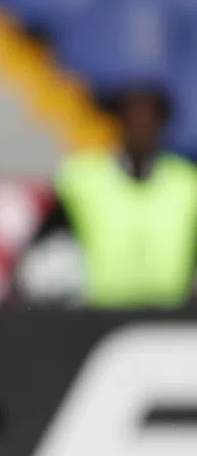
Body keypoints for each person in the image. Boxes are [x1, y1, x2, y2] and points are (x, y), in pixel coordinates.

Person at [14, 80, 197, 308]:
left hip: (174, 316)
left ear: (161, 123)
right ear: (118, 122)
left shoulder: (188, 183)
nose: (140, 124)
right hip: (99, 315)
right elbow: (40, 250)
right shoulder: (83, 180)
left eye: (150, 116)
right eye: (131, 116)